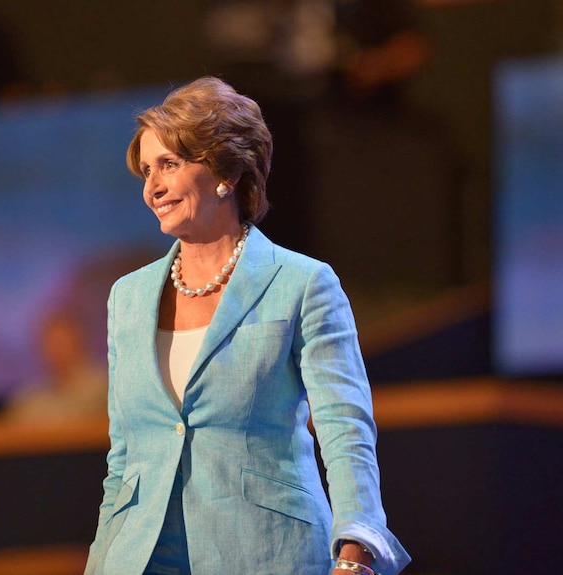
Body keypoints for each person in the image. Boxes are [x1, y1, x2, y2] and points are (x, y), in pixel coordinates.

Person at [84, 77, 410, 575]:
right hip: (140, 555)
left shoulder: (302, 283)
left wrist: (356, 547)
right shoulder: (126, 298)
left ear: (224, 171)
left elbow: (345, 429)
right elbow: (125, 457)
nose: (152, 187)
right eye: (147, 170)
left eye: (169, 164)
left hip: (266, 551)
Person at [5, 312, 107, 424]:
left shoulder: (104, 389)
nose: (56, 350)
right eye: (50, 343)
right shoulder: (29, 398)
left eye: (62, 342)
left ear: (79, 342)